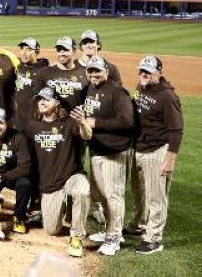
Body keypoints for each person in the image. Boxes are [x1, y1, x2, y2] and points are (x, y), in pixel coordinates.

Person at [25, 87, 93, 258]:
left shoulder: (69, 123)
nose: (42, 102)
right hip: (50, 185)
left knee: (81, 190)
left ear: (56, 103)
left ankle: (76, 236)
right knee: (51, 230)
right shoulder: (33, 126)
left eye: (47, 99)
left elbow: (87, 136)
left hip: (72, 176)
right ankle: (65, 209)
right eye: (40, 99)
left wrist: (83, 123)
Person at [128, 55, 183, 255]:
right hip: (139, 149)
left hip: (157, 151)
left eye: (148, 72)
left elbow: (176, 130)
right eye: (141, 70)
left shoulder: (167, 96)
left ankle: (154, 239)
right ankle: (138, 225)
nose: (143, 74)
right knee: (138, 193)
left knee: (156, 197)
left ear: (158, 72)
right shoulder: (140, 87)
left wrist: (170, 159)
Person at [81, 56, 134, 256]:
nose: (94, 74)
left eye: (98, 71)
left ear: (106, 71)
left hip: (114, 152)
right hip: (96, 150)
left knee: (113, 196)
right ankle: (109, 230)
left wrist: (97, 123)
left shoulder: (117, 91)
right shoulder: (89, 89)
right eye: (90, 71)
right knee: (101, 194)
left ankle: (114, 237)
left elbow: (127, 121)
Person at [33, 37, 88, 113]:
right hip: (53, 122)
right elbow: (37, 99)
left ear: (74, 51)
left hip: (76, 121)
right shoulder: (44, 73)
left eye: (65, 50)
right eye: (59, 50)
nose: (62, 53)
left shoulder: (85, 72)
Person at [14, 37, 48, 134]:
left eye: (29, 50)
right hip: (19, 119)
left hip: (34, 119)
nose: (24, 53)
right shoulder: (20, 67)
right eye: (22, 49)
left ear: (36, 51)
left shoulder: (44, 71)